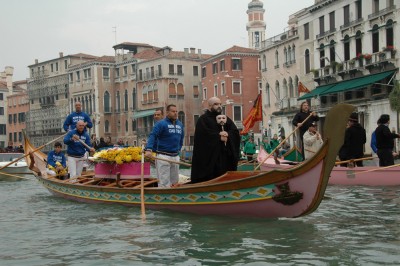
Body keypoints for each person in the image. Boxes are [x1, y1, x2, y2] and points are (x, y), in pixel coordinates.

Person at [190, 97, 240, 183]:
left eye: (220, 104)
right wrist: (218, 136)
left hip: (225, 157)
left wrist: (228, 134)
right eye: (216, 104)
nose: (219, 106)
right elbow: (202, 137)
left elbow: (235, 132)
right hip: (211, 159)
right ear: (209, 106)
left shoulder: (225, 119)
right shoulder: (203, 120)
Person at [145, 104, 184, 188]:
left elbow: (181, 139)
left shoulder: (180, 125)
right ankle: (163, 199)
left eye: (176, 111)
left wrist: (179, 149)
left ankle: (174, 198)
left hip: (175, 156)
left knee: (175, 182)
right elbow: (153, 135)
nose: (175, 113)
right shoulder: (161, 124)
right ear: (167, 112)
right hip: (163, 157)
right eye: (173, 111)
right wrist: (149, 149)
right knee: (164, 182)